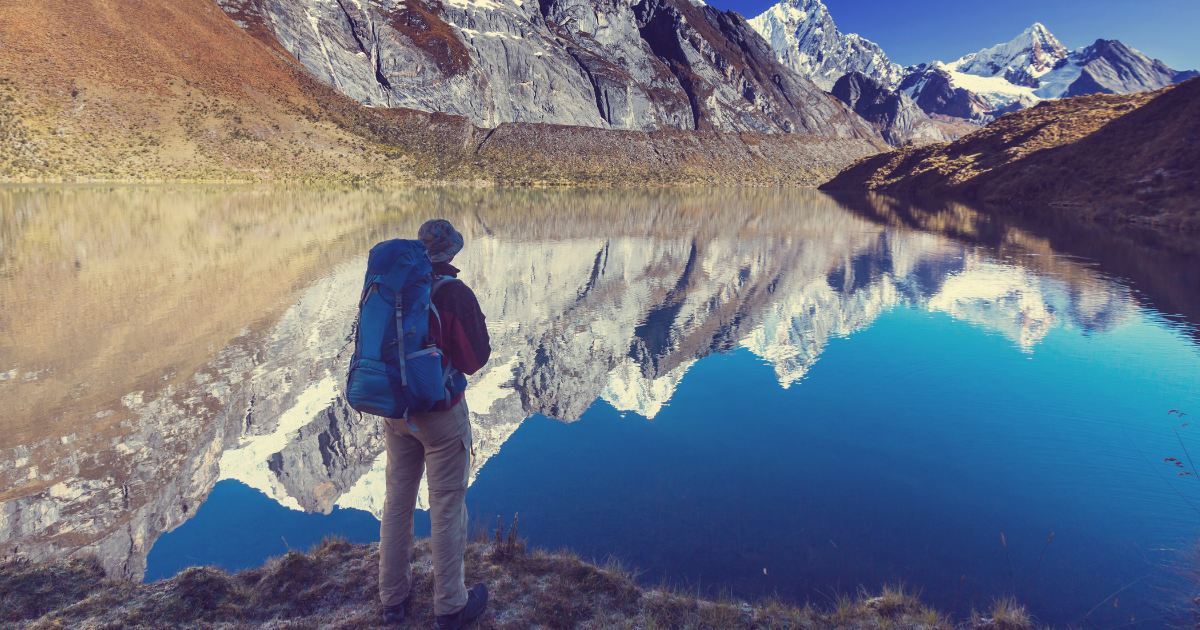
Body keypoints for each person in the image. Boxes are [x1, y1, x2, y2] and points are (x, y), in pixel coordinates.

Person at [378, 219, 491, 629]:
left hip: (396, 412)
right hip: (440, 417)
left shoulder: (391, 286)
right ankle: (450, 607)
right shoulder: (452, 293)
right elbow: (473, 361)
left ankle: (392, 599)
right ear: (451, 252)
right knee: (445, 507)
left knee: (397, 501)